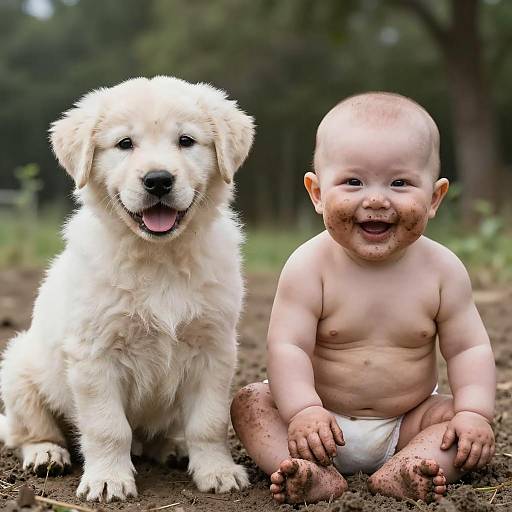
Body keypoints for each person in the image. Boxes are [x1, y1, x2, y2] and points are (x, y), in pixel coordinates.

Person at [230, 92, 496, 504]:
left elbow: (469, 348)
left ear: (435, 198)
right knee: (252, 403)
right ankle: (312, 473)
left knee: (456, 424)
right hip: (316, 425)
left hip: (407, 421)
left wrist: (474, 413)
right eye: (353, 182)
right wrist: (301, 410)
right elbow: (288, 346)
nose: (375, 199)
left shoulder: (443, 270)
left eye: (400, 183)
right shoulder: (309, 266)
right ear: (317, 192)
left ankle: (407, 469)